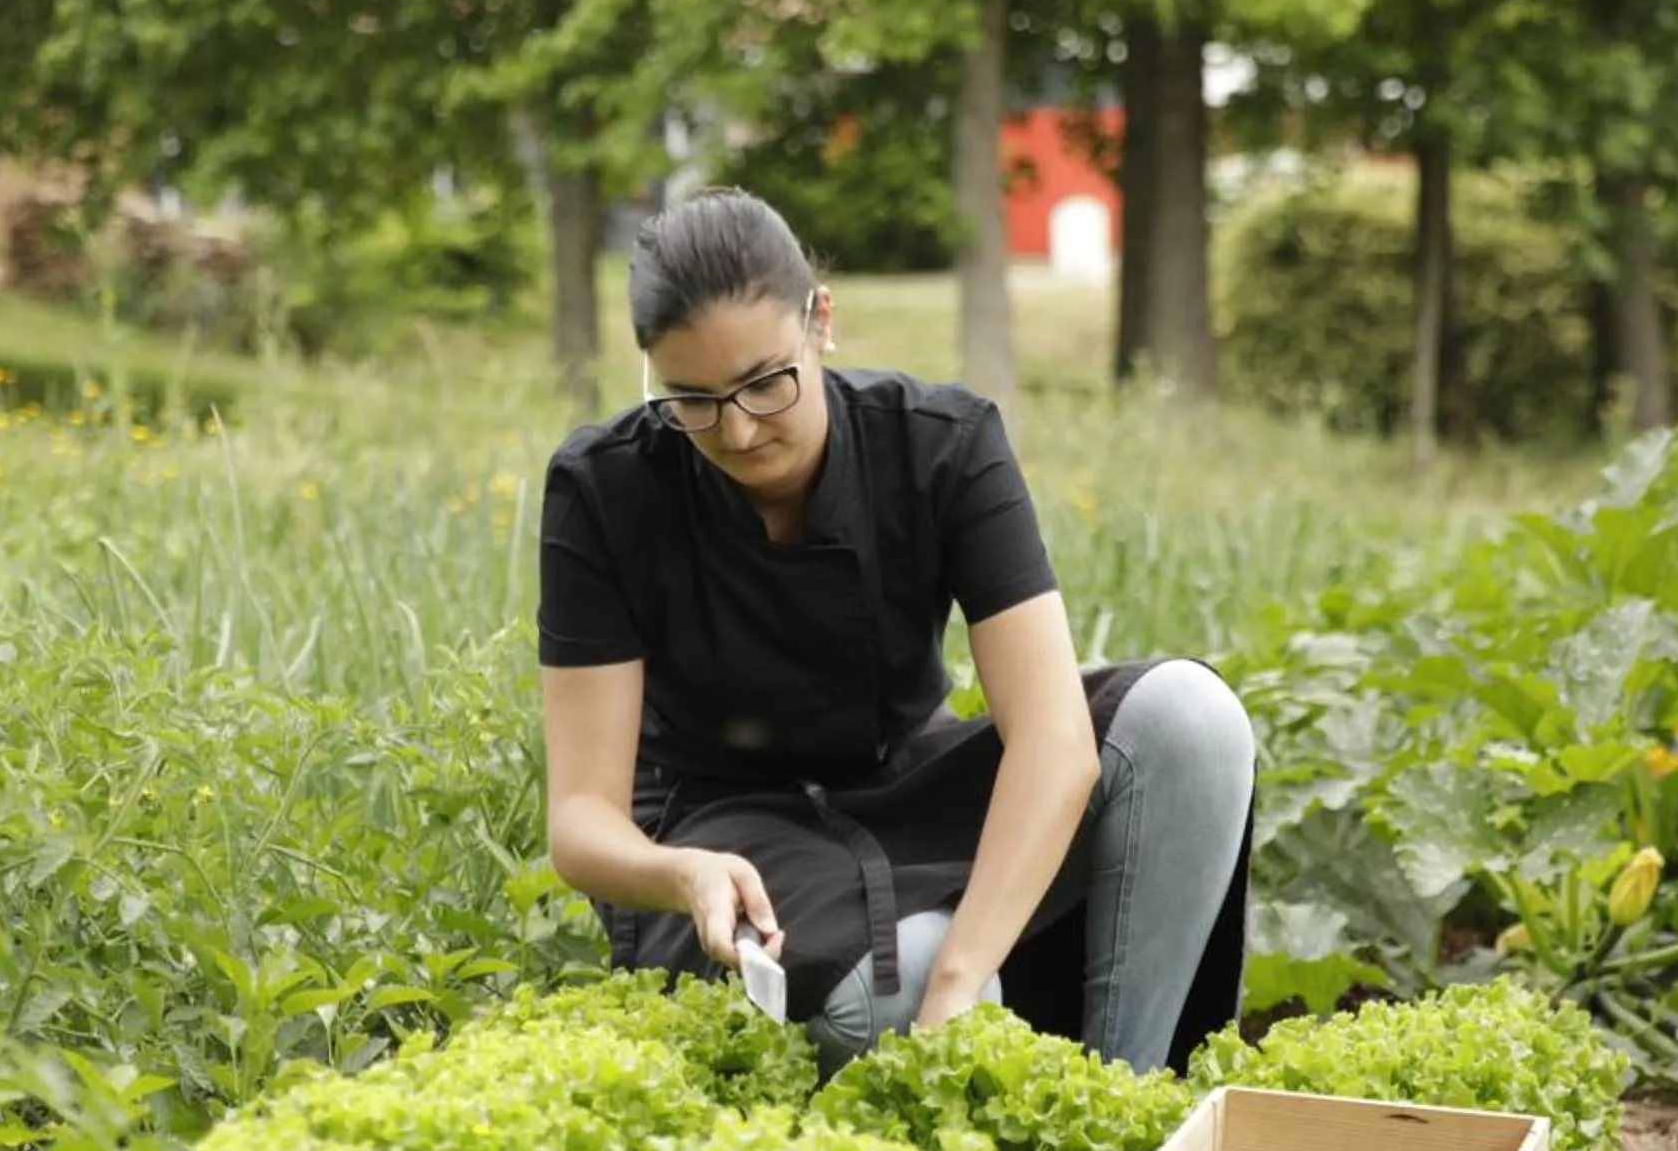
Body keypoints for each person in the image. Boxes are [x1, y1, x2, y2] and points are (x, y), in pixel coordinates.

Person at [535, 186, 1256, 1079]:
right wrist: (685, 874)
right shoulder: (604, 488)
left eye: (766, 382)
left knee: (1188, 721)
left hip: (913, 790)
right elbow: (582, 821)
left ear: (821, 321)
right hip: (725, 830)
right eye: (693, 399)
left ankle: (1125, 1104)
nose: (739, 430)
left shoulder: (942, 443)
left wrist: (965, 970)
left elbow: (1055, 743)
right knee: (895, 982)